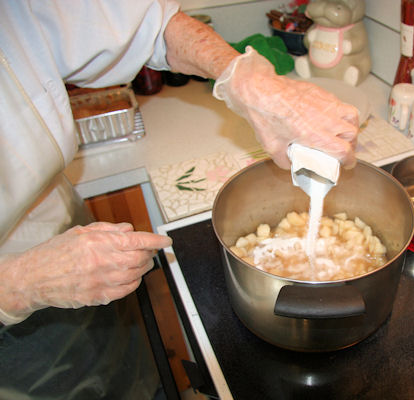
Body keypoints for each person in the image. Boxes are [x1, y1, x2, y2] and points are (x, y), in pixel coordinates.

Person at [0, 1, 359, 399]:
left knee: (127, 365)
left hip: (63, 228)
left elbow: (146, 25)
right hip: (12, 312)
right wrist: (18, 284)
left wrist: (246, 79)